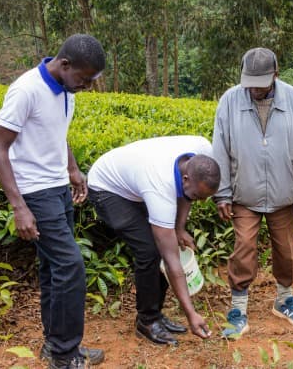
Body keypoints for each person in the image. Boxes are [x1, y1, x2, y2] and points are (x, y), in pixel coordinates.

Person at [0, 34, 106, 369]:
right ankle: (65, 356)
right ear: (64, 64)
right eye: (84, 79)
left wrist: (72, 168)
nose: (86, 86)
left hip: (57, 187)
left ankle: (56, 346)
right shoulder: (26, 90)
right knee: (71, 267)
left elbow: (58, 132)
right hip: (35, 193)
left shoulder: (67, 88)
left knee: (54, 269)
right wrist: (19, 206)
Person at [212, 47, 293, 339]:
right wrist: (222, 193)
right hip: (243, 192)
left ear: (275, 74)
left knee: (286, 250)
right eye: (249, 83)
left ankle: (284, 299)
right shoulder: (230, 100)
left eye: (261, 84)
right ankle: (238, 307)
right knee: (243, 247)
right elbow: (220, 147)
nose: (254, 90)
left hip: (285, 192)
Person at [86, 135, 218, 346]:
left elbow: (187, 195)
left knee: (165, 242)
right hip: (107, 189)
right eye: (197, 195)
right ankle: (147, 321)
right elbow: (171, 260)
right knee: (150, 251)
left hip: (137, 183)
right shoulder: (160, 185)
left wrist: (179, 228)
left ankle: (155, 313)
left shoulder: (203, 151)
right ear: (185, 179)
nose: (200, 202)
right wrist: (191, 313)